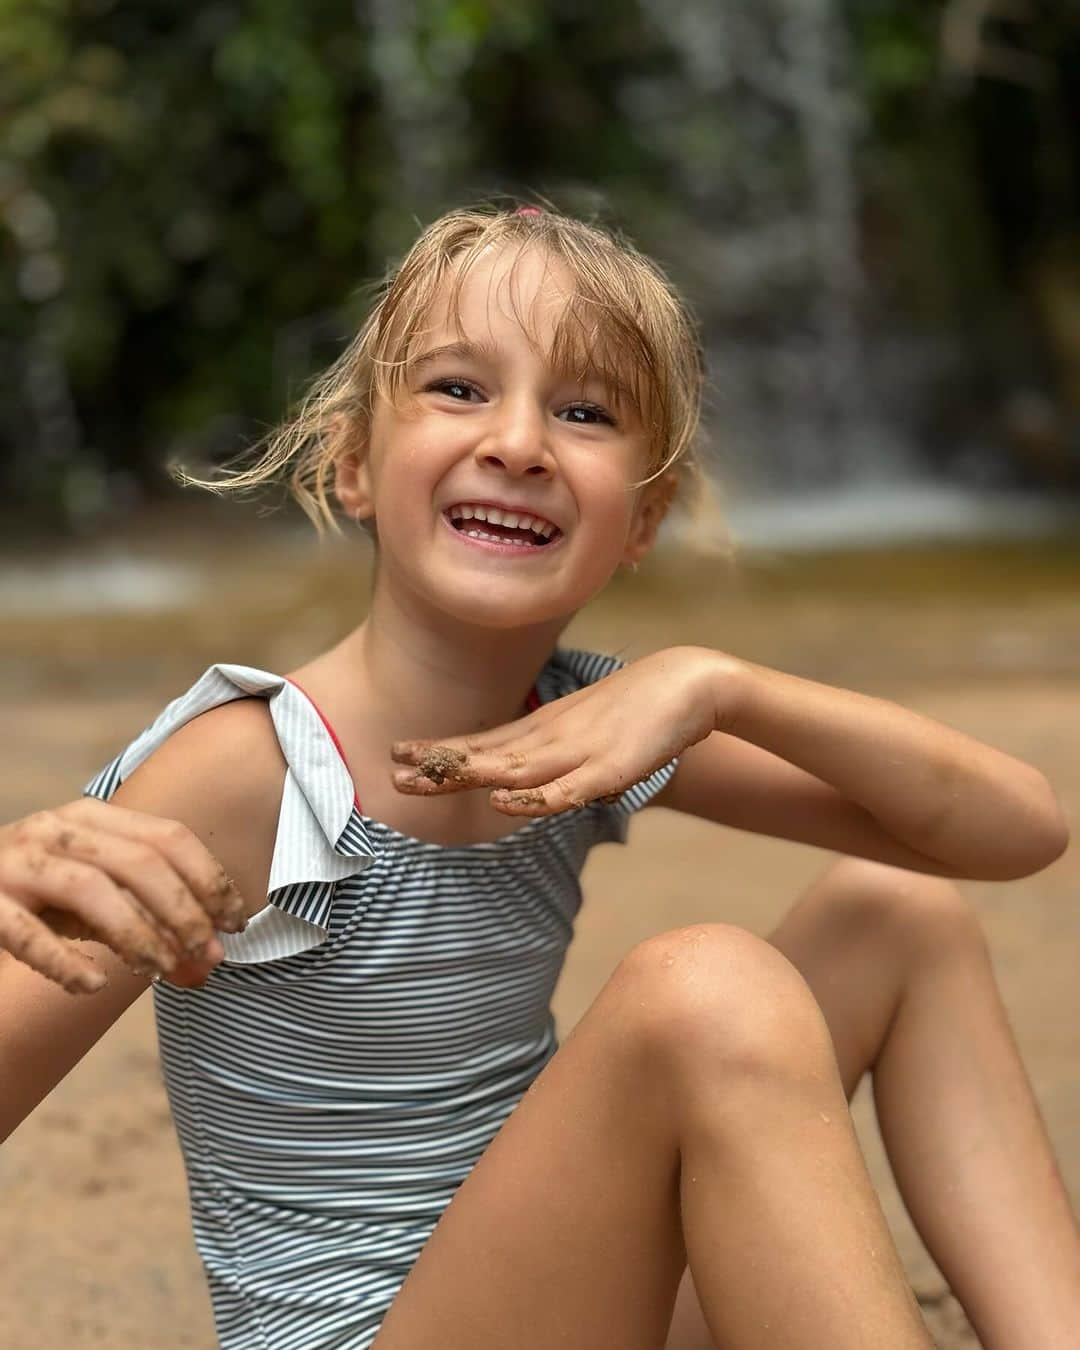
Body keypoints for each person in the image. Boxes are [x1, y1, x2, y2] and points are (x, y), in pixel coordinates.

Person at [0, 203, 1077, 1350]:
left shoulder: (585, 718)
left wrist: (722, 684)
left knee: (893, 912)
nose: (518, 443)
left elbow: (1016, 831)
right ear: (354, 463)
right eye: (460, 389)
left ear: (644, 518)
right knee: (704, 988)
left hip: (566, 1296)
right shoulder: (249, 769)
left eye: (584, 412)